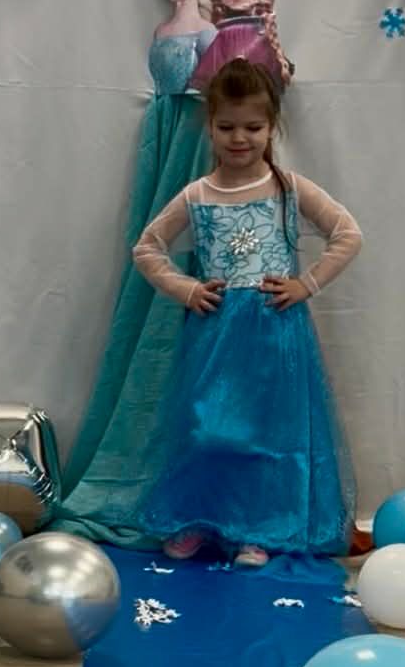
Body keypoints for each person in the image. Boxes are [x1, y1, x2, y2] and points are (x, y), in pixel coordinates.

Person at [132, 59, 361, 564]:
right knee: (206, 428)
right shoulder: (197, 194)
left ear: (272, 126)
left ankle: (260, 527)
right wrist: (186, 289)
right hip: (215, 334)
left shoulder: (289, 189)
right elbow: (147, 248)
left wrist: (305, 284)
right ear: (209, 127)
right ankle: (199, 517)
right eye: (227, 127)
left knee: (267, 434)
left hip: (275, 331)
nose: (240, 138)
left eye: (253, 127)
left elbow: (347, 234)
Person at [55, 0, 217, 546]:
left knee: (193, 258)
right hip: (163, 148)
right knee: (152, 251)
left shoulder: (216, 33)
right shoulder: (163, 31)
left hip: (198, 149)